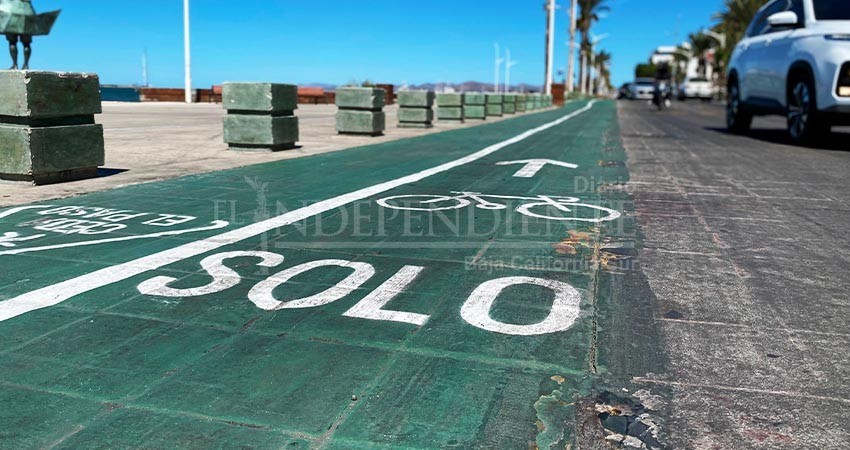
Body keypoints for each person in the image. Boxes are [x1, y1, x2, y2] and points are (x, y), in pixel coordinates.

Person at [0, 0, 60, 70]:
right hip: (27, 13)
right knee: (26, 43)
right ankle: (25, 65)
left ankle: (15, 64)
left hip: (12, 14)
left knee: (13, 42)